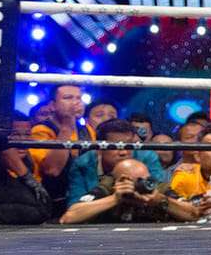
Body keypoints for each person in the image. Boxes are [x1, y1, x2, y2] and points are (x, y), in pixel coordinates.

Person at [28, 84, 96, 216]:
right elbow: (52, 170)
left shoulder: (87, 129)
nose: (75, 102)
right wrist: (66, 129)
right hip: (53, 200)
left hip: (83, 196)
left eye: (79, 98)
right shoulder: (41, 130)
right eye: (68, 98)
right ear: (53, 105)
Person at [60, 159, 197, 224]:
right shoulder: (107, 189)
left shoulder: (157, 189)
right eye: (131, 181)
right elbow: (69, 217)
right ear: (117, 181)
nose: (138, 185)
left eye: (143, 180)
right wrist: (114, 199)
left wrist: (161, 201)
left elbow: (194, 214)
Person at [67, 118, 166, 206]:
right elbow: (74, 207)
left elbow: (164, 193)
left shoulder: (147, 157)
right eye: (115, 146)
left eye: (128, 145)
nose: (123, 152)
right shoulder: (83, 164)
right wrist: (114, 198)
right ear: (99, 148)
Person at [0, 117, 51, 224]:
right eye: (15, 135)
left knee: (39, 209)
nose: (21, 140)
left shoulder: (31, 161)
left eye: (27, 135)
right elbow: (0, 139)